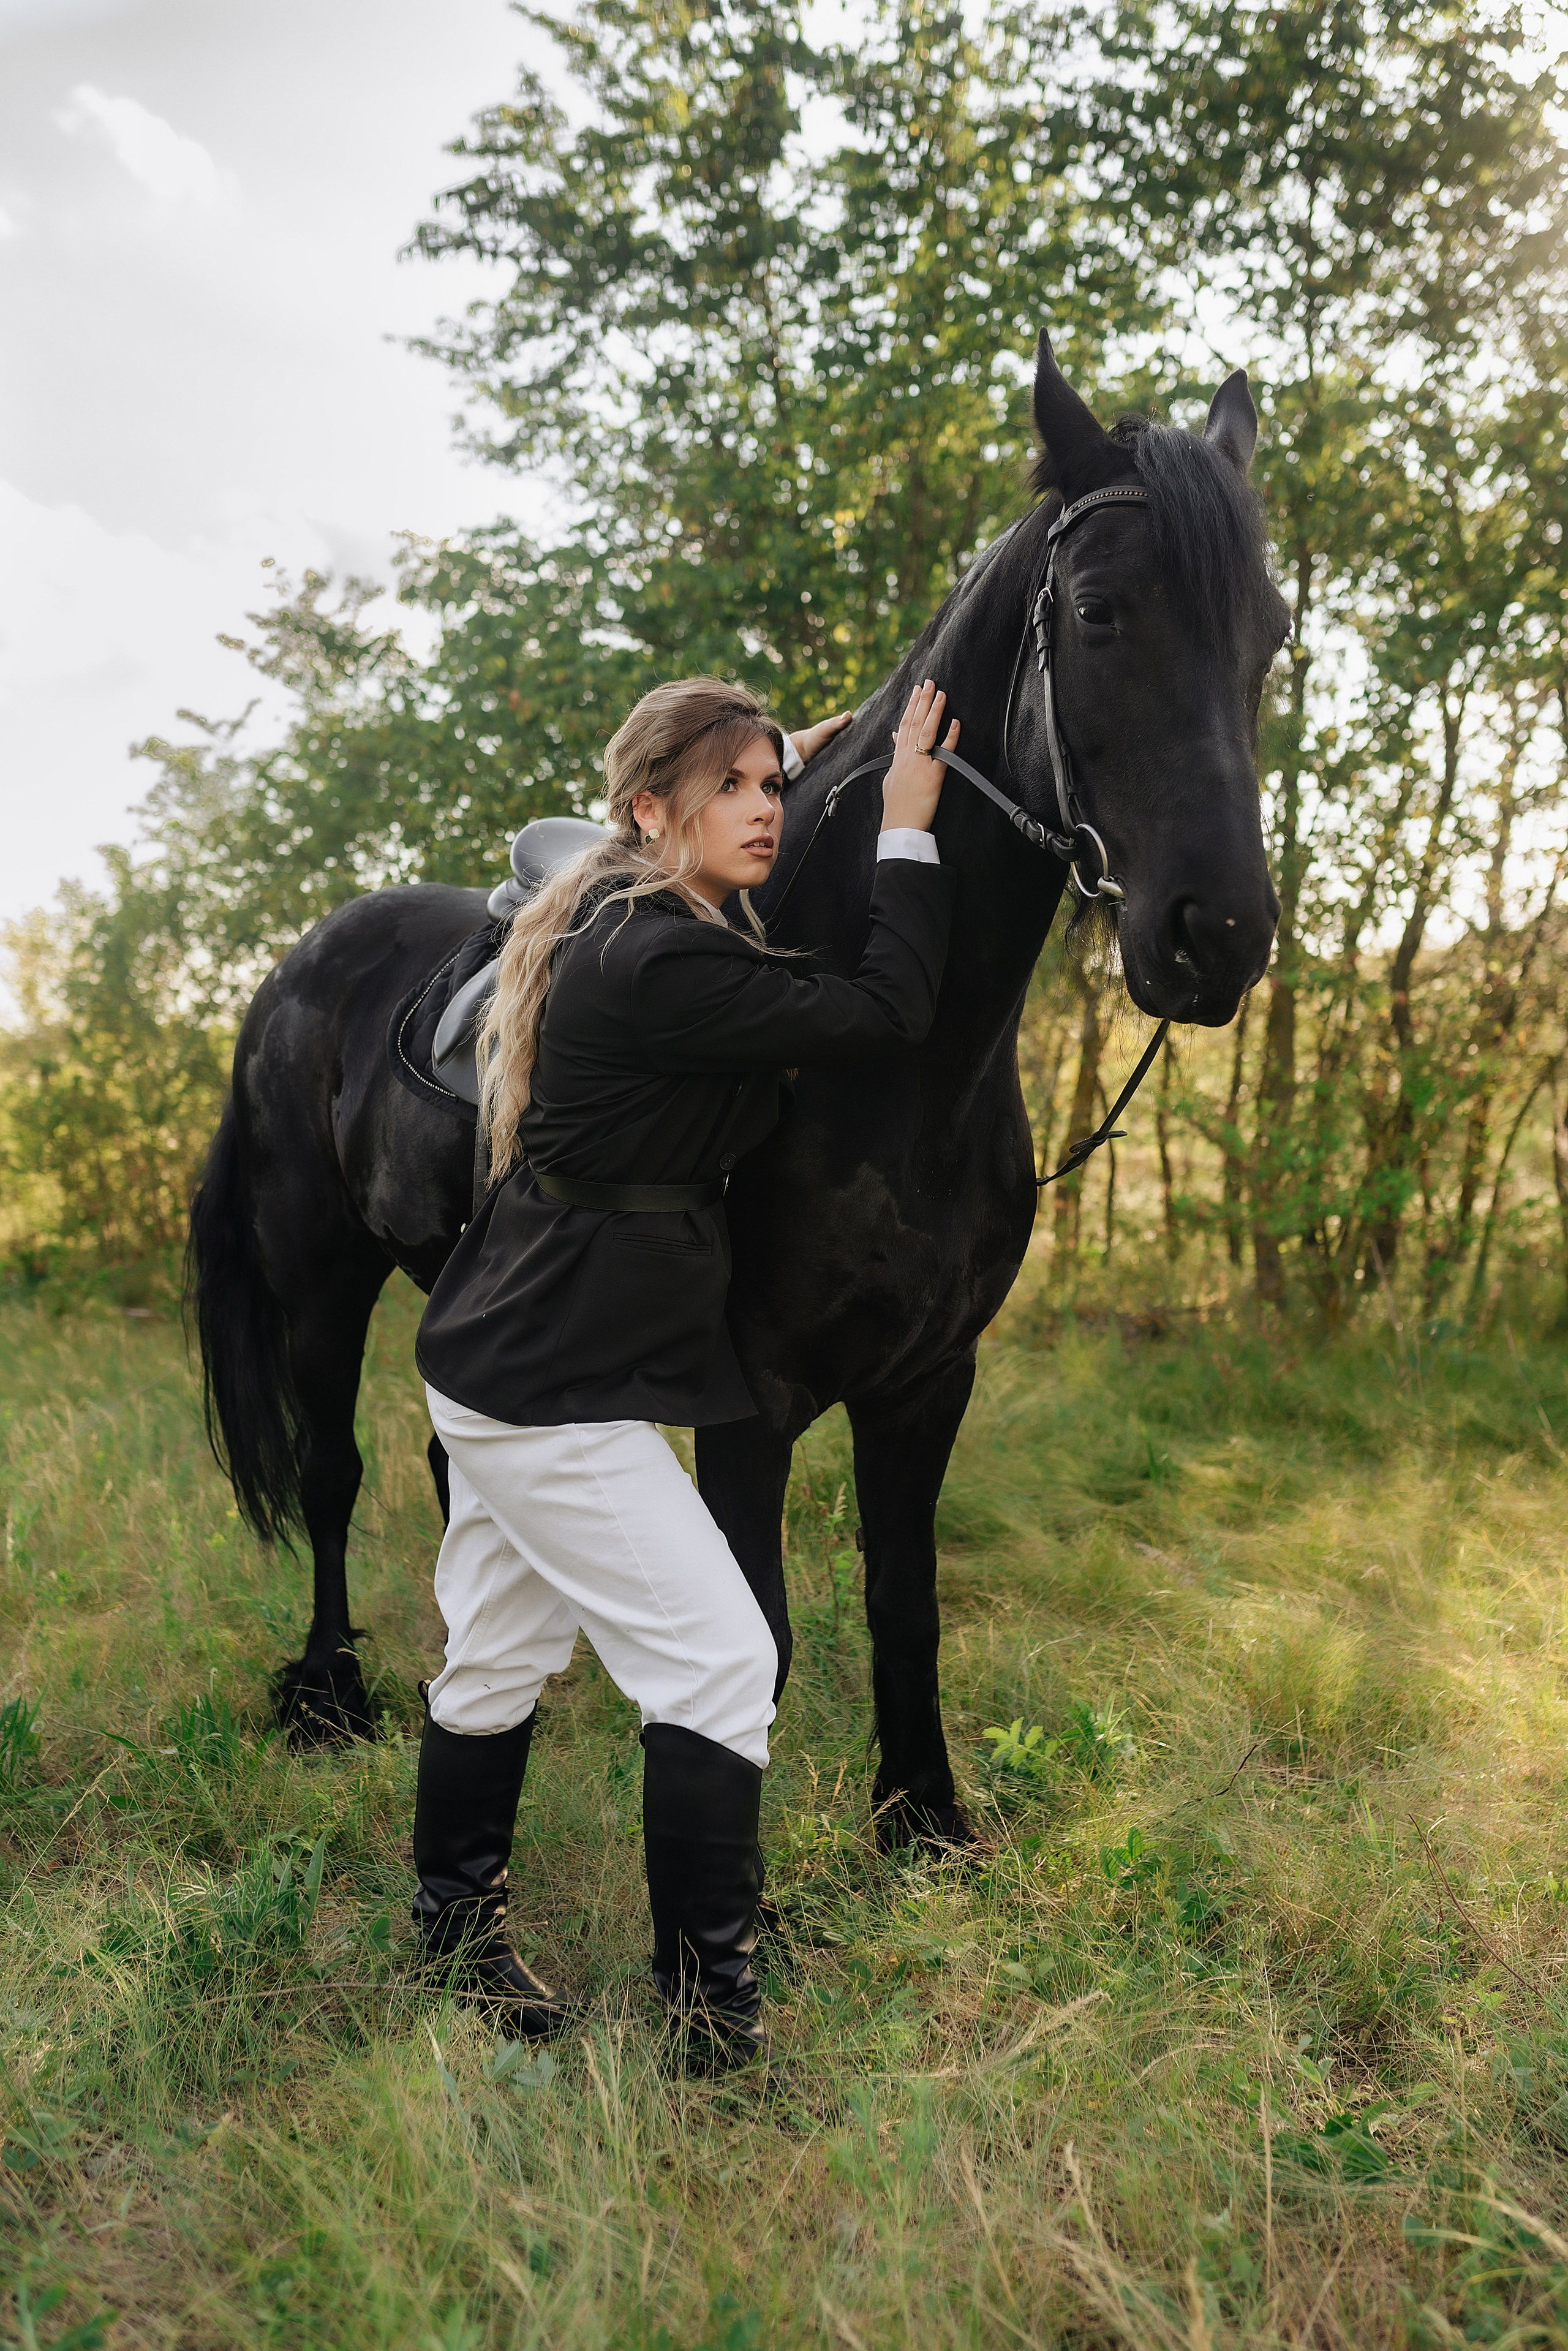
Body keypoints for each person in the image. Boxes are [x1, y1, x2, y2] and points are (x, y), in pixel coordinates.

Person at [410, 672, 959, 2068]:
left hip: (509, 1355)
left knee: (499, 1649)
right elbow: (888, 1004)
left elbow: (712, 827)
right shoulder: (656, 959)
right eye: (733, 790)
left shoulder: (625, 905)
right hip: (548, 1389)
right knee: (721, 1662)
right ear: (651, 810)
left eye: (773, 787)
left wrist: (794, 755)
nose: (765, 811)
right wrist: (903, 820)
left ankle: (449, 1931)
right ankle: (710, 2019)